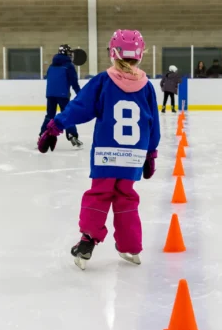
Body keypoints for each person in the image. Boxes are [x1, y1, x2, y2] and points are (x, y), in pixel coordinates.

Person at [38, 29, 160, 270]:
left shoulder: (104, 81)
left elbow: (79, 108)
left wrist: (54, 127)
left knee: (100, 194)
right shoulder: (146, 87)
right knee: (126, 197)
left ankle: (87, 242)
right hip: (133, 156)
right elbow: (153, 123)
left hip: (106, 154)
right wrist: (151, 153)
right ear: (140, 55)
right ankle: (131, 246)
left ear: (113, 53)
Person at [39, 44, 82, 147]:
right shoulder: (69, 66)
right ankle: (72, 135)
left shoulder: (51, 66)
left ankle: (42, 135)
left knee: (49, 116)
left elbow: (49, 78)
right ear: (66, 53)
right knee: (67, 114)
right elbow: (74, 82)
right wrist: (81, 94)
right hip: (63, 95)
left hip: (50, 94)